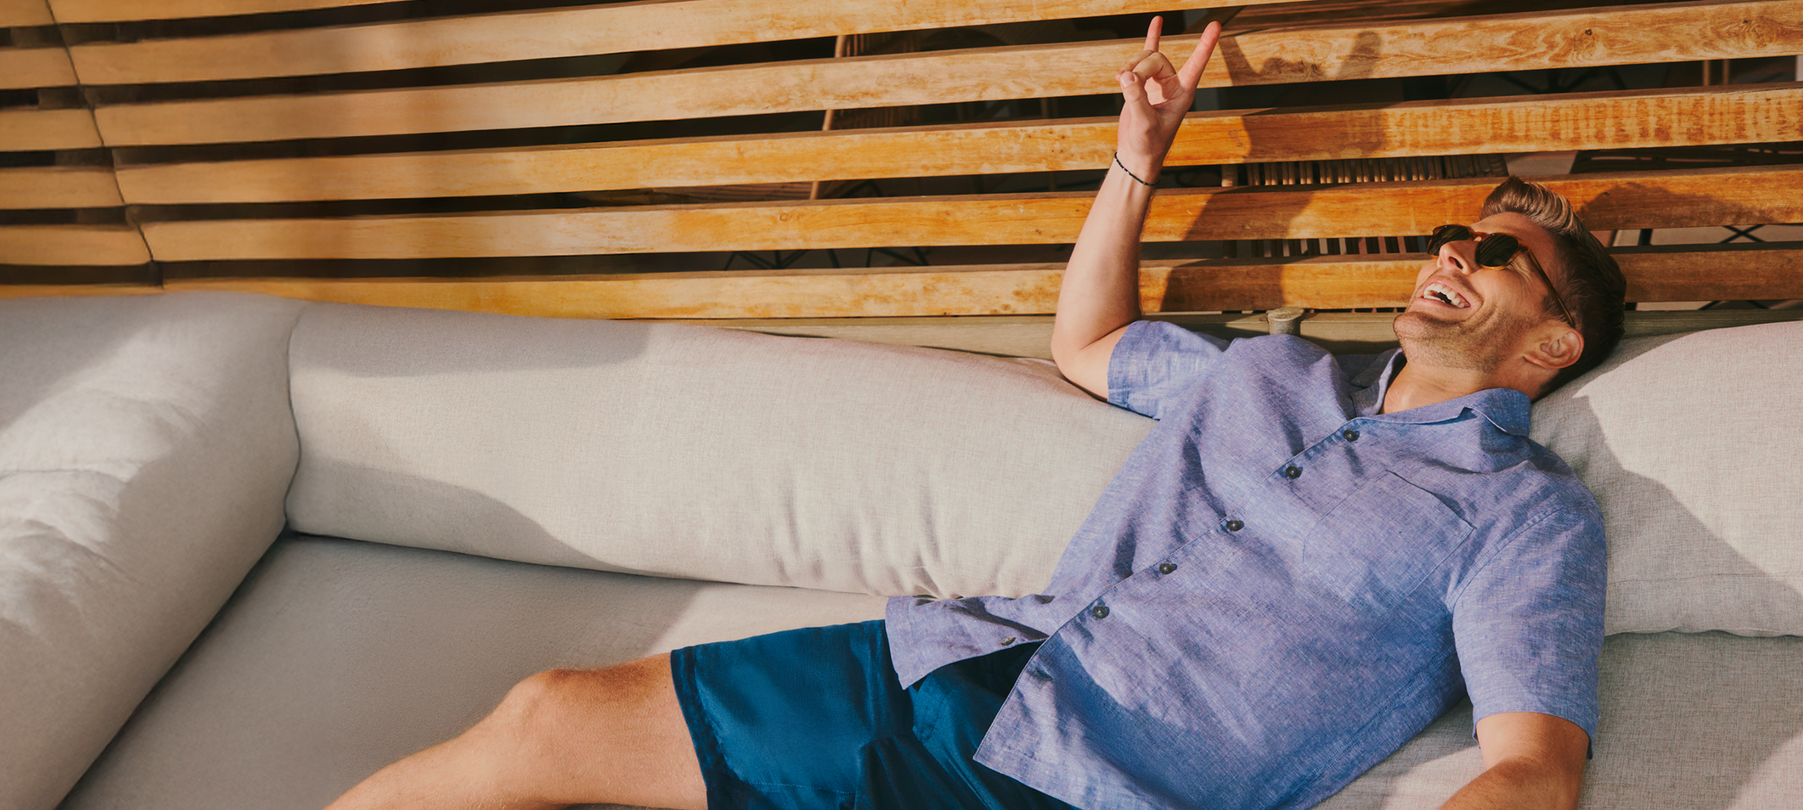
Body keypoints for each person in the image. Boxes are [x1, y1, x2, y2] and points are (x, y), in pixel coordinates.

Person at [327, 16, 1626, 810]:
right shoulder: (1265, 374)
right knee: (547, 715)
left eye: (1497, 253)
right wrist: (1140, 158)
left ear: (1556, 341)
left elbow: (1533, 764)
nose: (1452, 253)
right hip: (944, 666)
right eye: (1451, 233)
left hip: (1089, 788)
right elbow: (1089, 342)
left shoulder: (1521, 513)